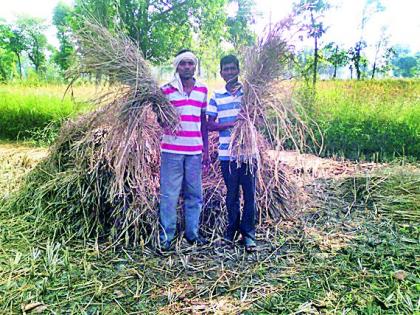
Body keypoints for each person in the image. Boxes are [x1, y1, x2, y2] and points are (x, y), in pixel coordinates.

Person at [159, 49, 209, 251]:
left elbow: (203, 122)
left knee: (194, 195)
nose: (187, 67)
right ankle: (166, 237)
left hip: (195, 151)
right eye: (183, 63)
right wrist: (159, 113)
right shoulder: (165, 91)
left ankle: (192, 235)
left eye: (190, 63)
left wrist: (204, 149)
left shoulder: (202, 90)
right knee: (169, 195)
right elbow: (161, 122)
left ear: (195, 66)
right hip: (171, 151)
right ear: (177, 66)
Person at [207, 54, 257, 252]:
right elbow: (209, 124)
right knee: (232, 194)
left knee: (250, 195)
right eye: (225, 69)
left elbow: (259, 118)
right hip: (227, 155)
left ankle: (248, 235)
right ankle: (231, 231)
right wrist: (232, 124)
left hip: (248, 153)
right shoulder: (216, 96)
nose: (229, 72)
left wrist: (249, 120)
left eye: (232, 68)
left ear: (238, 70)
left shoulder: (249, 93)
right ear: (221, 73)